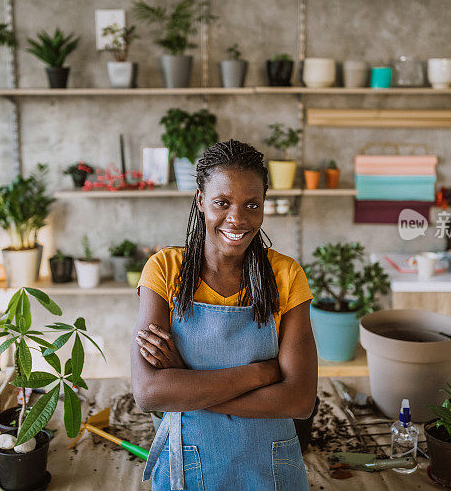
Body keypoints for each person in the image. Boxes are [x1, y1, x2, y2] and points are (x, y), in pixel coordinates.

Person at [131, 139, 317, 490]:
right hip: (187, 462)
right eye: (222, 202)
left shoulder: (286, 275)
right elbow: (149, 392)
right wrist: (263, 372)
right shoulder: (165, 270)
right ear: (201, 200)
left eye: (252, 204)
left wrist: (186, 383)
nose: (238, 218)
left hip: (272, 468)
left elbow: (300, 400)